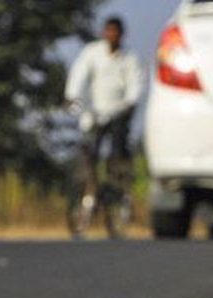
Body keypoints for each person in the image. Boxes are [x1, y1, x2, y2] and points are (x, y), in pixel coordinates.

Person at [64, 16, 144, 228]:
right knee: (89, 152)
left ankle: (117, 189)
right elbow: (78, 75)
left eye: (115, 32)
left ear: (121, 35)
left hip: (119, 113)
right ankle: (90, 189)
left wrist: (130, 103)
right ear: (104, 33)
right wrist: (72, 96)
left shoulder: (129, 58)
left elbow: (136, 86)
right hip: (95, 112)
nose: (111, 35)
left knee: (117, 153)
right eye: (108, 31)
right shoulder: (93, 53)